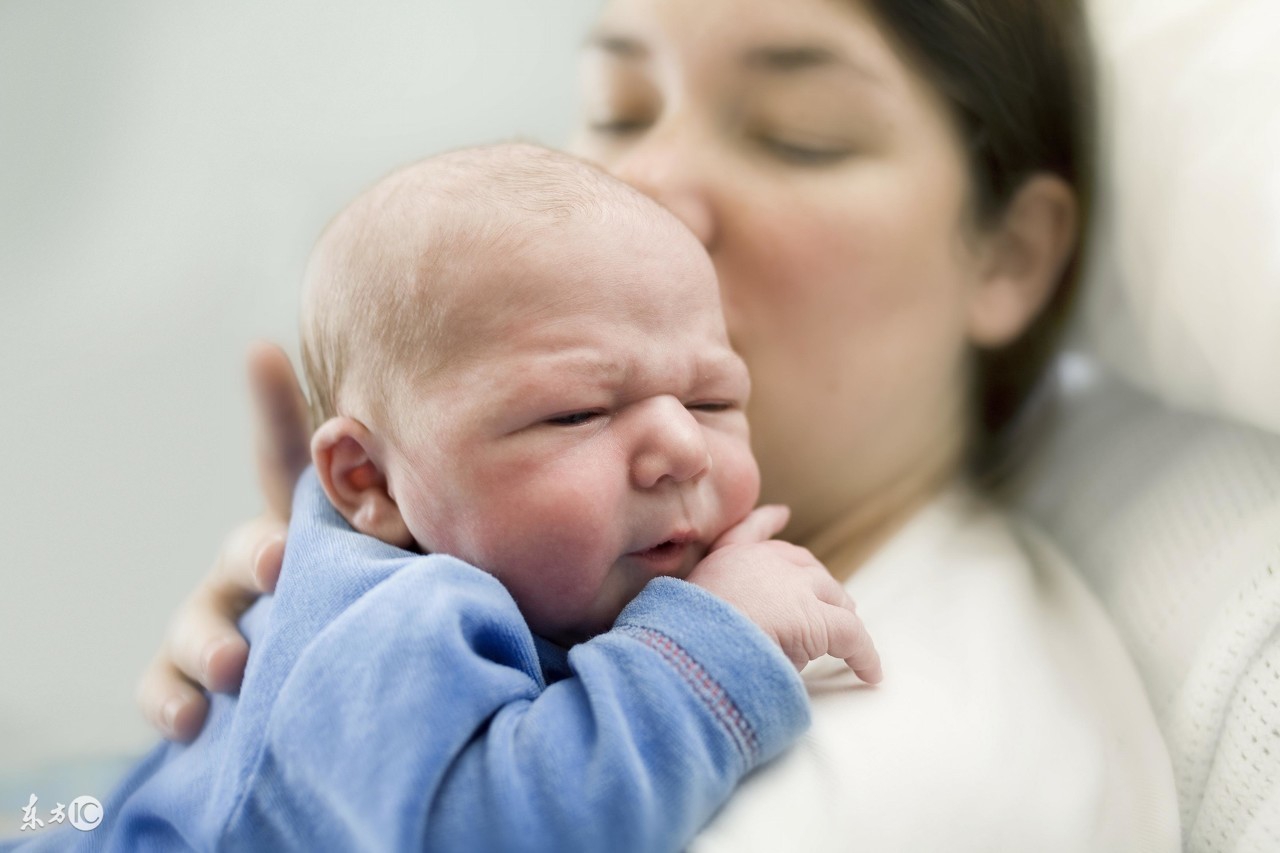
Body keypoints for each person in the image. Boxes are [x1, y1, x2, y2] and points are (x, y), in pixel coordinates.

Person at [137, 0, 1183, 849]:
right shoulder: (431, 587)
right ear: (366, 475)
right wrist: (340, 585)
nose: (641, 191)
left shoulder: (918, 765)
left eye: (795, 135)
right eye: (620, 109)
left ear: (1008, 254)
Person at [16, 144, 880, 852]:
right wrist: (705, 649)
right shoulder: (400, 622)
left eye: (713, 401)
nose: (684, 447)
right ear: (369, 480)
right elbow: (487, 832)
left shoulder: (465, 545)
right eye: (575, 412)